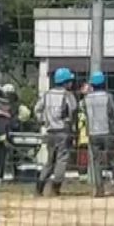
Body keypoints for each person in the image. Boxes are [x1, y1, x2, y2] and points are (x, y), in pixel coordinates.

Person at [82, 71, 114, 198]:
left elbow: (84, 112)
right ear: (104, 83)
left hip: (93, 133)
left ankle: (99, 190)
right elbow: (113, 112)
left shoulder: (86, 99)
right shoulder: (108, 97)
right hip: (107, 131)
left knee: (96, 162)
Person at [34, 67, 78, 197]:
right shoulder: (67, 94)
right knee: (62, 160)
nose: (71, 83)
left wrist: (43, 120)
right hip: (63, 131)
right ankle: (55, 187)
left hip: (50, 131)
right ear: (65, 82)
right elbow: (74, 108)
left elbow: (37, 109)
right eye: (70, 80)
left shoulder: (47, 94)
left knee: (50, 161)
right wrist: (70, 122)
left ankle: (40, 186)